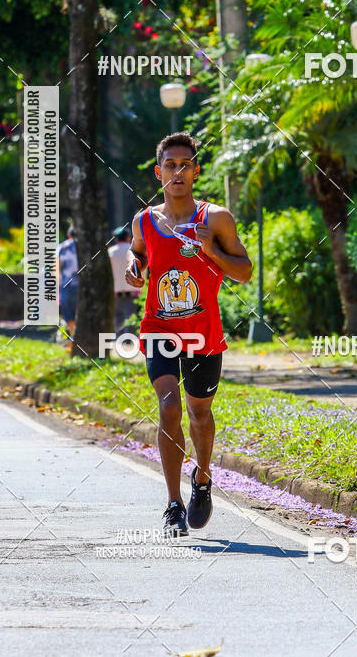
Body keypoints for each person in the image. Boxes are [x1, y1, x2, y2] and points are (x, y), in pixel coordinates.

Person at [125, 132, 252, 537]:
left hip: (203, 331)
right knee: (168, 408)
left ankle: (202, 476)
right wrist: (134, 266)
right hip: (159, 327)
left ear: (196, 171)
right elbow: (138, 251)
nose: (177, 172)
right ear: (158, 171)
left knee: (199, 413)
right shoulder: (145, 220)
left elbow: (245, 271)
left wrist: (212, 251)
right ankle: (172, 504)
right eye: (170, 165)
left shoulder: (216, 219)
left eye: (185, 165)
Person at [108, 226, 138, 334]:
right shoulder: (134, 251)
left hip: (116, 291)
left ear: (116, 239)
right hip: (133, 289)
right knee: (130, 317)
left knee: (118, 316)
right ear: (128, 238)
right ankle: (129, 339)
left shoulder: (110, 252)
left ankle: (119, 339)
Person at [56, 224, 79, 352]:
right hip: (81, 286)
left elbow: (57, 269)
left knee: (69, 315)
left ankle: (73, 339)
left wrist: (59, 288)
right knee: (80, 313)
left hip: (67, 286)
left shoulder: (62, 247)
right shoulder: (85, 247)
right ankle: (77, 339)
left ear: (69, 235)